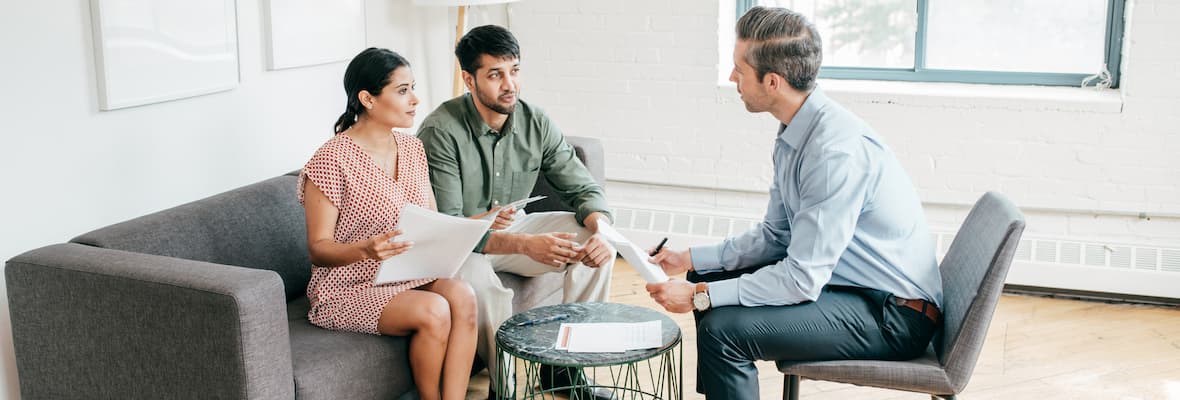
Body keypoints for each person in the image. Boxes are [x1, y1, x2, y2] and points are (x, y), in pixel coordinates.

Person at [644, 7, 944, 400]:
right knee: (713, 277)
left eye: (739, 69)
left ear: (772, 81)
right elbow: (776, 235)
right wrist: (690, 260)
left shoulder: (834, 153)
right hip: (852, 287)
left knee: (722, 331)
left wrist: (700, 295)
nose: (731, 78)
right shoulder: (797, 131)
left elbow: (802, 279)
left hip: (893, 316)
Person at [417, 25, 616, 400]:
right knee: (482, 286)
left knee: (595, 245)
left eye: (514, 70)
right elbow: (450, 226)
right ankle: (504, 386)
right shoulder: (440, 131)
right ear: (468, 80)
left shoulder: (534, 121)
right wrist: (526, 245)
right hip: (460, 247)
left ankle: (564, 370)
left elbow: (583, 188)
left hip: (513, 230)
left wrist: (602, 231)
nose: (510, 84)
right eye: (495, 74)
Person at [299, 47, 477, 400]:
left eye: (413, 87)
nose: (415, 99)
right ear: (367, 98)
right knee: (435, 310)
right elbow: (318, 250)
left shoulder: (412, 149)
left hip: (407, 273)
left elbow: (431, 219)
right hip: (346, 288)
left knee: (464, 295)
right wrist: (365, 249)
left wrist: (475, 224)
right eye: (402, 90)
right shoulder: (330, 160)